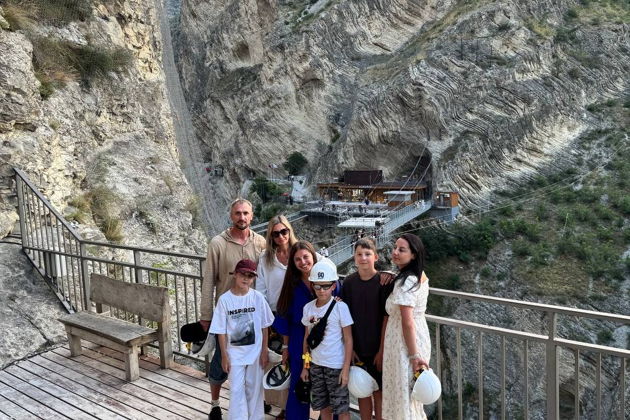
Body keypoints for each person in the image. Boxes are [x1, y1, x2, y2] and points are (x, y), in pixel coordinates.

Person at [200, 198, 266, 420]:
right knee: (221, 362)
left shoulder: (260, 243)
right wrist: (206, 315)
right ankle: (215, 403)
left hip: (252, 315)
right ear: (231, 216)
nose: (242, 217)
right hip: (227, 314)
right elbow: (209, 279)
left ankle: (253, 403)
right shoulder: (218, 243)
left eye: (246, 213)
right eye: (238, 213)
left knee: (252, 363)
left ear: (252, 216)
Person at [275, 241, 339, 420]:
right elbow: (284, 317)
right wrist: (285, 348)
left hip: (328, 342)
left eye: (306, 257)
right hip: (299, 343)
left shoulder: (328, 278)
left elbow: (340, 304)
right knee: (300, 387)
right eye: (297, 259)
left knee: (329, 388)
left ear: (313, 256)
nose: (303, 262)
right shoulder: (291, 286)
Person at [209, 259, 274, 420]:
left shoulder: (258, 297)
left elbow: (265, 326)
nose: (246, 278)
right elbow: (221, 331)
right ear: (235, 275)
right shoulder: (224, 300)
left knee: (255, 388)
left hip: (255, 352)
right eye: (242, 274)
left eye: (250, 276)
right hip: (234, 353)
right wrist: (224, 356)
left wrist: (264, 350)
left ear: (254, 278)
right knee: (236, 389)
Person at [340, 238, 394, 420]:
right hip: (358, 348)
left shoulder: (384, 282)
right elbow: (344, 319)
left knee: (379, 393)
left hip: (378, 348)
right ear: (354, 258)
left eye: (367, 254)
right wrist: (351, 349)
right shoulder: (348, 283)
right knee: (362, 391)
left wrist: (382, 350)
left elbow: (387, 317)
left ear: (376, 257)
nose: (363, 258)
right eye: (359, 254)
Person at [382, 233, 431, 420]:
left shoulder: (407, 281)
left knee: (404, 394)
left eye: (401, 250)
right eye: (395, 248)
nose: (395, 252)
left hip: (405, 344)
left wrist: (413, 356)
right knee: (411, 395)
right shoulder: (417, 275)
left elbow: (407, 321)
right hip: (415, 337)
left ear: (413, 255)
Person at [256, 215, 298, 419]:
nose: (281, 236)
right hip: (275, 316)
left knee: (295, 360)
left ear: (289, 231)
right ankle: (280, 406)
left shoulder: (299, 252)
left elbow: (321, 265)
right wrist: (267, 320)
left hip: (297, 315)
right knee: (279, 361)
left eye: (284, 231)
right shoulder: (265, 258)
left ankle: (291, 408)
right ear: (270, 236)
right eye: (276, 233)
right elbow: (261, 290)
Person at [300, 261, 353, 420]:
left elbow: (348, 339)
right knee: (323, 407)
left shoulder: (341, 307)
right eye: (317, 286)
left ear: (333, 286)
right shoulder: (308, 308)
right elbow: (306, 339)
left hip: (336, 366)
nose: (321, 290)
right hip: (315, 365)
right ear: (312, 286)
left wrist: (345, 369)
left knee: (342, 409)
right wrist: (306, 366)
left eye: (326, 286)